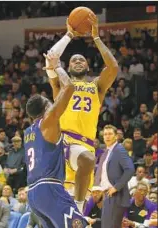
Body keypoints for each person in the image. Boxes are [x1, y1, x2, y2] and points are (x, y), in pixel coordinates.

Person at [45, 13, 118, 212]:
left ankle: (78, 210)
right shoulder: (62, 84)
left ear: (87, 65)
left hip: (84, 145)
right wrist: (68, 35)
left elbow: (113, 67)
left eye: (82, 60)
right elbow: (51, 59)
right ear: (67, 67)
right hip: (63, 142)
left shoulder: (97, 86)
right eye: (74, 60)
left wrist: (96, 37)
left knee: (87, 161)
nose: (78, 61)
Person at [24, 54, 89, 228]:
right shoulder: (48, 121)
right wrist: (57, 66)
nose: (53, 104)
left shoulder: (28, 132)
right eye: (50, 103)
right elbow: (69, 88)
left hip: (33, 194)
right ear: (46, 107)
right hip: (49, 189)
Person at [94, 125, 135, 228]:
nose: (107, 136)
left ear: (116, 136)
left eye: (110, 134)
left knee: (109, 226)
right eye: (105, 134)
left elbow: (130, 169)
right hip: (108, 194)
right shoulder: (108, 151)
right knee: (107, 225)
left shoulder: (119, 150)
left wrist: (116, 187)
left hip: (116, 195)